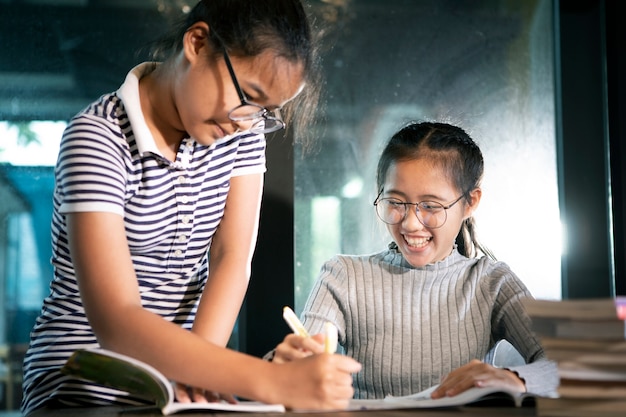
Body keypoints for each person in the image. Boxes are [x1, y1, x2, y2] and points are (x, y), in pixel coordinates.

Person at [20, 1, 361, 415]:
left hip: (173, 386)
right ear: (197, 43)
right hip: (81, 384)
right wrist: (272, 380)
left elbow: (231, 258)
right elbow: (116, 321)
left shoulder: (241, 134)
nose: (247, 122)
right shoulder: (97, 137)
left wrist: (197, 374)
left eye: (265, 112)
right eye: (248, 97)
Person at [271, 121, 558, 399]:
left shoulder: (491, 282)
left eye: (430, 206)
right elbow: (305, 351)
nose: (410, 224)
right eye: (395, 202)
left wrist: (513, 377)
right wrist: (288, 363)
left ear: (470, 202)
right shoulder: (345, 275)